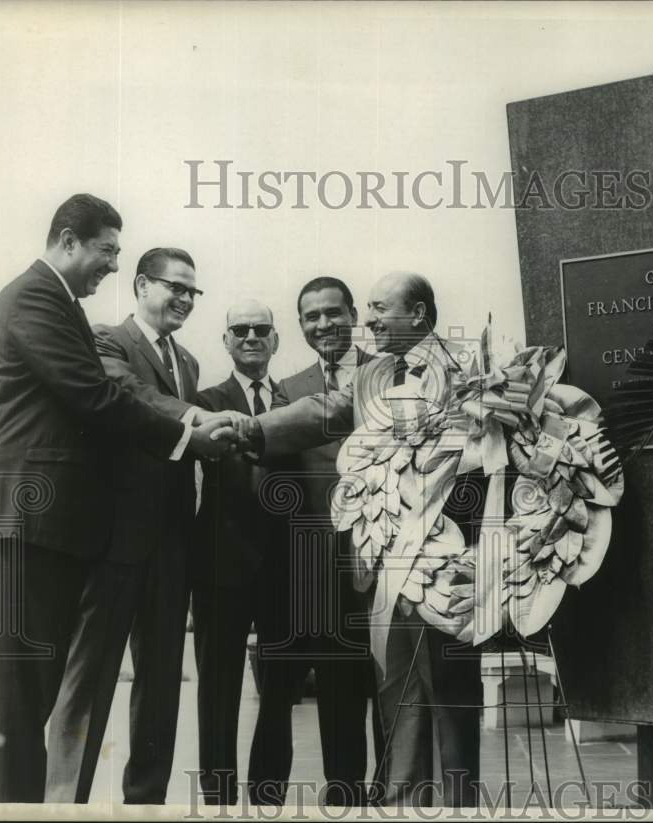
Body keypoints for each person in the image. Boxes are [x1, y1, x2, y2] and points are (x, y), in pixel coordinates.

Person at [0, 194, 234, 803]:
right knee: (11, 710)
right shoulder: (39, 298)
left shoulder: (58, 304)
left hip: (45, 529)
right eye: (107, 250)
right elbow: (95, 396)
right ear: (68, 239)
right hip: (22, 522)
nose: (111, 264)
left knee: (25, 705)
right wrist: (188, 435)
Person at [235, 272, 483, 807]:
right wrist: (251, 430)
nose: (367, 321)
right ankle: (403, 801)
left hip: (444, 555)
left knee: (450, 691)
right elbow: (330, 410)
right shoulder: (383, 373)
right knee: (402, 692)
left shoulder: (464, 366)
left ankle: (458, 803)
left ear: (417, 313)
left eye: (376, 309)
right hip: (384, 564)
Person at [45, 248, 210, 803]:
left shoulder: (189, 362)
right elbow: (132, 399)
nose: (185, 299)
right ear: (142, 285)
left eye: (193, 291)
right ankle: (64, 804)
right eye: (175, 287)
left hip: (172, 546)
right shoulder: (106, 340)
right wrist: (204, 421)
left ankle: (146, 803)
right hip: (115, 544)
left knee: (162, 686)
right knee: (88, 683)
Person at [269, 276, 380, 806]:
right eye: (311, 317)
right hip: (320, 564)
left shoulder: (390, 375)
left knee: (391, 681)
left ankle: (399, 791)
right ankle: (345, 795)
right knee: (336, 689)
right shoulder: (287, 390)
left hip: (387, 553)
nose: (323, 325)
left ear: (354, 314)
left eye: (333, 312)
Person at [190, 298, 290, 806]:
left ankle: (269, 795)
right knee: (218, 686)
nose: (251, 337)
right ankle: (218, 797)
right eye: (239, 330)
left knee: (279, 690)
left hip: (285, 568)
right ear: (225, 341)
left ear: (276, 340)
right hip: (219, 566)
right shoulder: (202, 399)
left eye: (260, 330)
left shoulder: (296, 400)